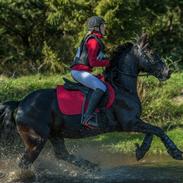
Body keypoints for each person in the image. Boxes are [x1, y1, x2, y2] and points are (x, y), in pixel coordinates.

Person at [70, 16, 110, 128]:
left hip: (81, 71)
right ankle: (87, 117)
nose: (105, 27)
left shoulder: (92, 38)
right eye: (103, 25)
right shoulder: (93, 41)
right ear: (96, 28)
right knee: (102, 88)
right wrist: (107, 63)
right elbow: (92, 62)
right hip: (79, 72)